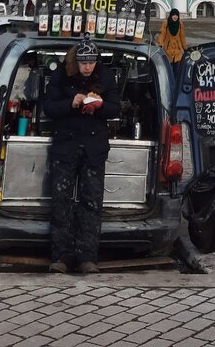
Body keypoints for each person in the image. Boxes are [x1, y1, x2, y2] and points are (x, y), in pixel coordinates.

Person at [42, 33, 121, 274]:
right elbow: (48, 107)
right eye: (83, 63)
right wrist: (71, 103)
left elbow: (116, 108)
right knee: (61, 201)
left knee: (92, 202)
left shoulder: (105, 77)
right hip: (66, 145)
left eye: (91, 62)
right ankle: (61, 257)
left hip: (94, 148)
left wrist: (99, 107)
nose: (87, 67)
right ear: (76, 62)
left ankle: (88, 257)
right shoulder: (61, 76)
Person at [156, 8, 188, 72]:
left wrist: (185, 48)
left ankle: (176, 81)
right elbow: (162, 34)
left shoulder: (180, 24)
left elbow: (182, 37)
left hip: (177, 51)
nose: (175, 17)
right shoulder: (166, 23)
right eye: (174, 15)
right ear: (171, 15)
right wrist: (160, 45)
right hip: (168, 50)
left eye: (177, 15)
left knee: (177, 71)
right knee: (168, 70)